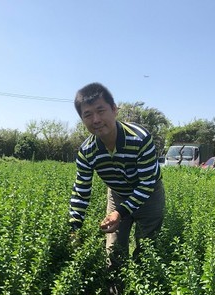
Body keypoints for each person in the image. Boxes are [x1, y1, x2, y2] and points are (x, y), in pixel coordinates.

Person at [69, 82, 165, 269]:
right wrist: (74, 228)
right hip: (117, 194)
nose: (96, 119)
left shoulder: (140, 139)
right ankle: (115, 294)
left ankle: (140, 294)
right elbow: (81, 191)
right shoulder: (87, 151)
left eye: (101, 110)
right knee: (113, 251)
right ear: (82, 120)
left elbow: (146, 183)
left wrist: (119, 212)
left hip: (150, 194)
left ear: (114, 110)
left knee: (147, 250)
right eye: (87, 114)